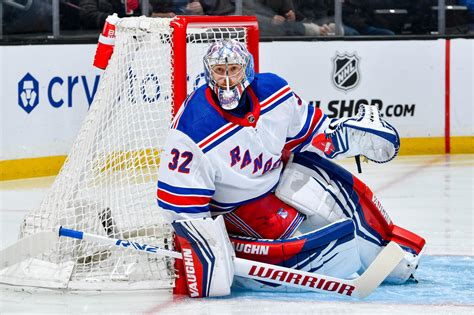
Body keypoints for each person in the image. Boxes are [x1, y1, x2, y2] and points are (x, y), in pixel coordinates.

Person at [157, 39, 425, 297]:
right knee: (336, 248)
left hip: (279, 179)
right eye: (219, 70)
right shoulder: (193, 127)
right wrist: (202, 250)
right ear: (208, 72)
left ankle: (390, 260)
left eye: (234, 69)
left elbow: (311, 133)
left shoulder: (275, 91)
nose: (227, 79)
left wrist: (343, 135)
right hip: (235, 209)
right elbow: (180, 205)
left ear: (247, 69)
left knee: (345, 204)